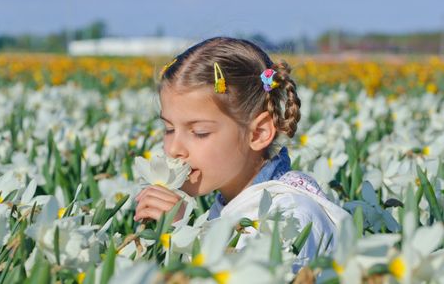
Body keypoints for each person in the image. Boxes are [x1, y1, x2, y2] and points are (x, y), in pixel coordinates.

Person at [134, 36, 348, 264]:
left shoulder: (290, 218)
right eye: (168, 129)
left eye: (199, 132)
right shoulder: (232, 203)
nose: (174, 149)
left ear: (258, 133)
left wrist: (179, 234)